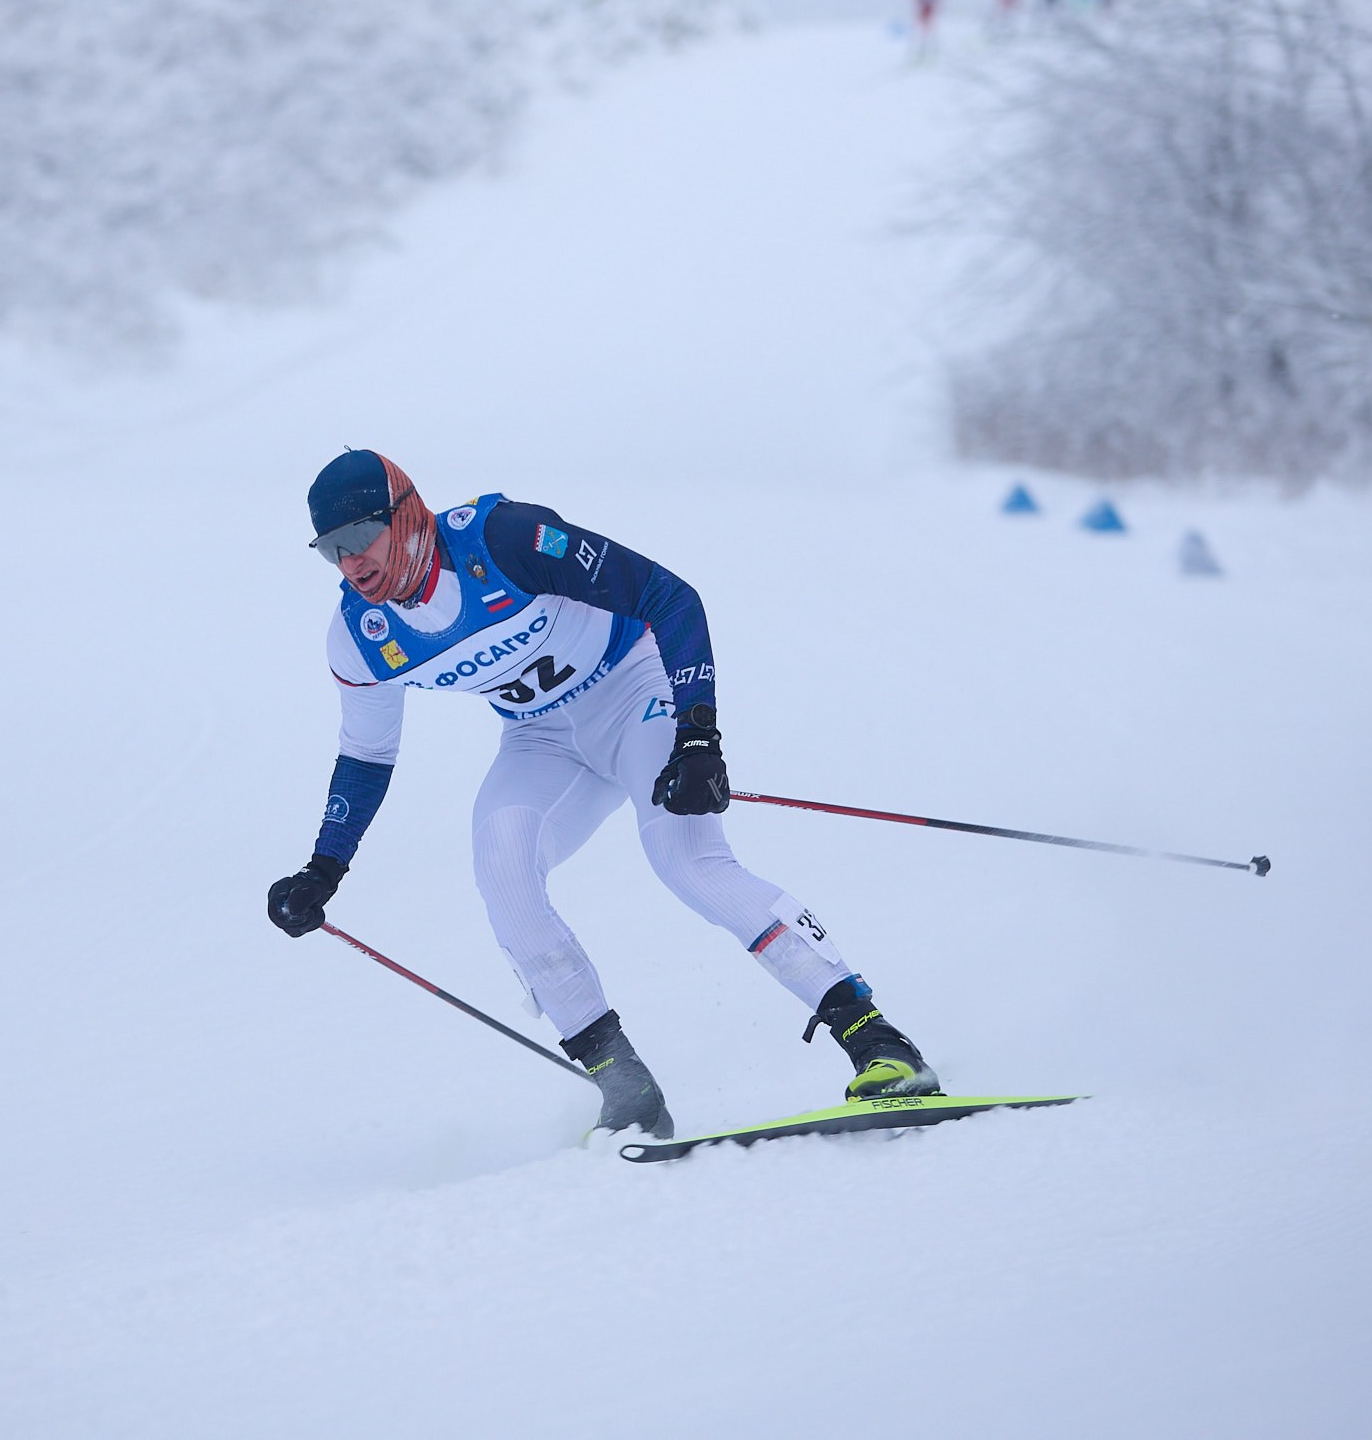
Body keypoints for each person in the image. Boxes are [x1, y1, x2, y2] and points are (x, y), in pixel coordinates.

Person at [268, 450, 939, 1138]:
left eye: (360, 538)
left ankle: (880, 1043)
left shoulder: (503, 541)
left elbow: (669, 597)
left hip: (633, 693)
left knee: (687, 861)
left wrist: (698, 735)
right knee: (502, 864)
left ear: (405, 515)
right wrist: (325, 867)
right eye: (332, 550)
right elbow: (367, 754)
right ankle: (625, 1087)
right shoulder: (361, 634)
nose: (351, 563)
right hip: (541, 739)